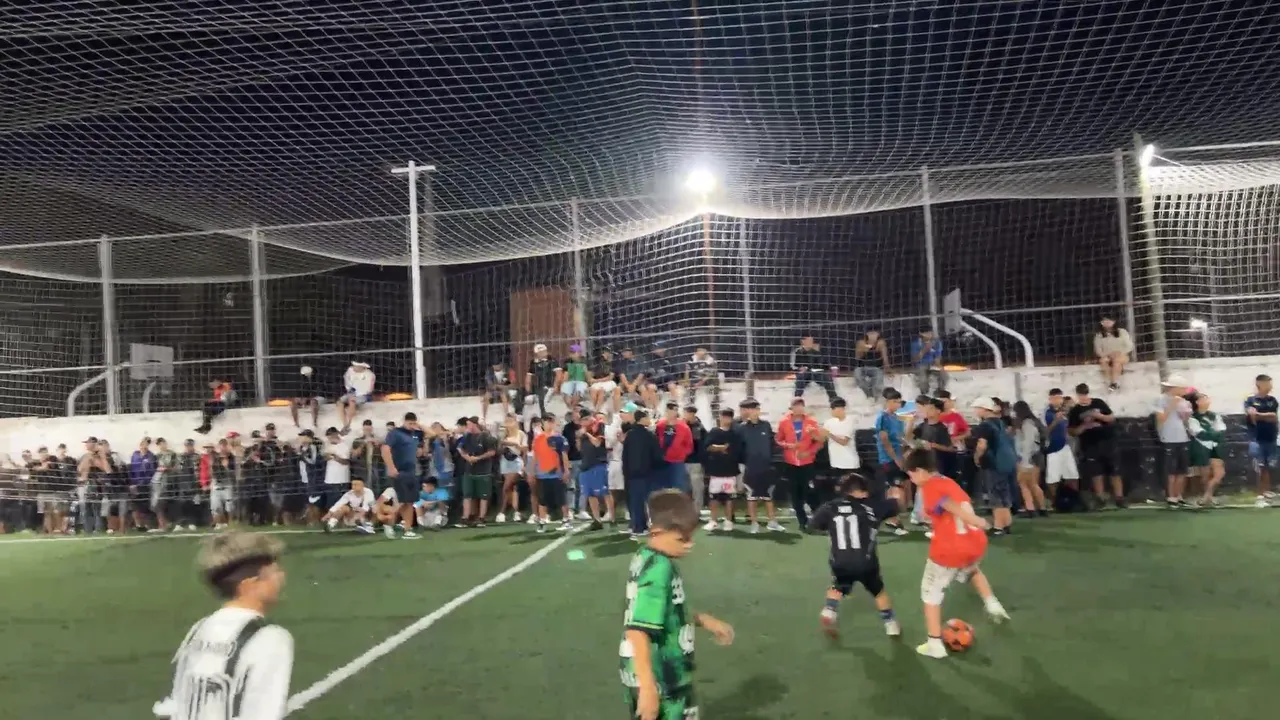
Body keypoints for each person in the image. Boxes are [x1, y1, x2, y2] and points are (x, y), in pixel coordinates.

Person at [620, 489, 734, 720]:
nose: (690, 545)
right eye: (682, 539)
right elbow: (637, 630)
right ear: (657, 532)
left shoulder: (647, 556)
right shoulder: (659, 569)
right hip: (662, 676)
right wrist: (648, 688)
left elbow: (665, 609)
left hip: (659, 674)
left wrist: (703, 620)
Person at [154, 533, 292, 720]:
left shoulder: (199, 628)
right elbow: (265, 713)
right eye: (274, 573)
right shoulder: (270, 637)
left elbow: (174, 703)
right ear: (249, 585)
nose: (282, 577)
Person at [905, 449, 1008, 659]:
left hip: (951, 548)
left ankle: (934, 644)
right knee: (972, 570)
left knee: (930, 593)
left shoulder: (930, 486)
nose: (912, 479)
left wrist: (978, 520)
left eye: (912, 474)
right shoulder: (948, 482)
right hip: (974, 543)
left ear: (921, 471)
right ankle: (993, 604)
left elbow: (948, 505)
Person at [808, 473, 903, 639]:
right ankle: (891, 624)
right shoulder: (871, 507)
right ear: (860, 492)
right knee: (878, 592)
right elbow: (898, 504)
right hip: (865, 562)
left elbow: (813, 525)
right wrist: (898, 491)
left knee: (838, 586)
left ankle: (830, 609)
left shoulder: (829, 507)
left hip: (840, 562)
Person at [1068, 383, 1124, 509]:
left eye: (1085, 394)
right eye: (1081, 395)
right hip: (1089, 444)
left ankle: (1119, 498)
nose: (1083, 397)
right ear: (1077, 395)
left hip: (1108, 441)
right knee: (1096, 472)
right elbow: (1072, 432)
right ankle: (1100, 498)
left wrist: (1098, 416)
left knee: (1114, 470)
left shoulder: (1098, 403)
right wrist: (1085, 426)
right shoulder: (1075, 411)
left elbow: (1111, 418)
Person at [733, 398, 781, 534]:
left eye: (757, 409)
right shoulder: (741, 428)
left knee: (768, 496)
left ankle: (772, 522)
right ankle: (754, 523)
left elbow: (771, 443)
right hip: (750, 467)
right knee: (752, 496)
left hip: (766, 466)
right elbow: (738, 448)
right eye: (752, 409)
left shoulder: (766, 425)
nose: (755, 412)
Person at [776, 397, 823, 527]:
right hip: (790, 463)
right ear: (791, 408)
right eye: (796, 406)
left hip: (807, 463)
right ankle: (802, 521)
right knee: (794, 493)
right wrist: (788, 445)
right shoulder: (784, 422)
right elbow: (778, 440)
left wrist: (809, 452)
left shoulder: (811, 421)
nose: (799, 408)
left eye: (801, 405)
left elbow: (819, 442)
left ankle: (819, 518)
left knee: (809, 491)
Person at [971, 397, 1015, 535]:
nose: (975, 411)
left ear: (983, 409)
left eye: (977, 408)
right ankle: (1006, 523)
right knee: (1004, 493)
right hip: (1005, 462)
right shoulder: (1000, 422)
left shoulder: (984, 426)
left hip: (992, 463)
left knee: (995, 495)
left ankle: (998, 526)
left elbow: (982, 445)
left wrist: (976, 457)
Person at [908, 397, 952, 531]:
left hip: (936, 463)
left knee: (932, 491)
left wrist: (933, 445)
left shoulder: (941, 428)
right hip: (923, 462)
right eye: (927, 407)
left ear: (938, 411)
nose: (927, 410)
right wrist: (911, 422)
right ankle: (919, 515)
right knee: (921, 489)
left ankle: (930, 517)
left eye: (931, 408)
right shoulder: (923, 425)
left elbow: (950, 448)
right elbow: (909, 438)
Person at [622, 408, 665, 539]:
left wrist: (626, 472)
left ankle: (638, 527)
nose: (649, 420)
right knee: (652, 501)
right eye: (647, 417)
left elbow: (625, 456)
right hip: (648, 473)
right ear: (643, 419)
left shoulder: (630, 435)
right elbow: (657, 456)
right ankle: (655, 526)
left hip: (632, 474)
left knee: (636, 502)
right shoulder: (649, 435)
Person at [381, 413, 425, 539]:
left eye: (413, 423)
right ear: (404, 421)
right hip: (400, 471)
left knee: (410, 501)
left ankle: (408, 530)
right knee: (403, 500)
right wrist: (391, 467)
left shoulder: (414, 435)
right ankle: (388, 522)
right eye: (410, 423)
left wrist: (418, 426)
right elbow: (385, 449)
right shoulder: (395, 433)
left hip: (412, 472)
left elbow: (432, 434)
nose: (412, 426)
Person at [1154, 374, 1193, 508]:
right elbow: (1161, 419)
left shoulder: (1184, 401)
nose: (1184, 391)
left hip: (1183, 437)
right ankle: (1171, 497)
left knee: (1182, 469)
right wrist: (1172, 405)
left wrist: (1186, 415)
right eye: (1182, 388)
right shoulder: (1161, 400)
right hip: (1168, 438)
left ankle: (1179, 495)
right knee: (1171, 470)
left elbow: (1185, 420)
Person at [874, 389, 908, 535]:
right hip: (887, 458)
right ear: (887, 402)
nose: (897, 404)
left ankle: (894, 517)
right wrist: (895, 458)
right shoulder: (882, 417)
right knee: (893, 488)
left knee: (899, 487)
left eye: (899, 402)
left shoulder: (897, 418)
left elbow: (900, 437)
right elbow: (884, 439)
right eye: (894, 401)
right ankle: (891, 519)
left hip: (899, 456)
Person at [531, 415, 574, 532]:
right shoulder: (538, 439)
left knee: (561, 498)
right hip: (542, 474)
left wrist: (566, 470)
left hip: (557, 473)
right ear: (542, 424)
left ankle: (566, 520)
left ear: (554, 423)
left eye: (551, 422)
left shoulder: (560, 438)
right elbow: (535, 456)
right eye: (546, 422)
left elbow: (564, 455)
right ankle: (542, 521)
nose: (548, 424)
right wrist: (532, 470)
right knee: (542, 499)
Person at [702, 408, 741, 532]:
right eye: (724, 416)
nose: (726, 419)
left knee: (729, 497)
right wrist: (721, 448)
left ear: (732, 418)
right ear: (720, 417)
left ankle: (728, 521)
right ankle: (713, 521)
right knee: (713, 497)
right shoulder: (714, 432)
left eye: (728, 417)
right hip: (716, 471)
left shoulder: (735, 434)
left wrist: (723, 449)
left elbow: (737, 450)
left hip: (730, 471)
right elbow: (707, 447)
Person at [1243, 374, 1278, 508]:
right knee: (1259, 467)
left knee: (1268, 466)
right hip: (1256, 438)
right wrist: (1264, 416)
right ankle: (1259, 496)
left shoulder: (1272, 400)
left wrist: (1259, 415)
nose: (1271, 386)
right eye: (1268, 383)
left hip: (1271, 437)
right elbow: (1251, 416)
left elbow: (1274, 417)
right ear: (1260, 384)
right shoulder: (1250, 400)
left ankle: (1266, 492)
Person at [1186, 392, 1226, 507]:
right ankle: (1203, 497)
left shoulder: (1214, 415)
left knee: (1219, 474)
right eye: (1203, 399)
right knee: (1204, 474)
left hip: (1215, 446)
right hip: (1201, 446)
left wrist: (1214, 435)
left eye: (1207, 398)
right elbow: (1199, 433)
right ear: (1197, 402)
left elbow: (1221, 429)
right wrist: (1213, 434)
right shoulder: (1192, 418)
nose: (1207, 401)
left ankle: (1207, 495)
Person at [457, 417, 498, 527]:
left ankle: (481, 518)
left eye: (469, 424)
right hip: (469, 470)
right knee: (467, 495)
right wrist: (467, 457)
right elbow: (460, 448)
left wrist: (478, 458)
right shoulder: (467, 437)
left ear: (475, 424)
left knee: (483, 496)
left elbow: (492, 452)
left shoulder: (486, 436)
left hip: (483, 471)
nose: (467, 426)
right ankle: (465, 518)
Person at [1042, 389, 1079, 508]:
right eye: (1056, 398)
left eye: (1060, 398)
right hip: (1053, 448)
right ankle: (1055, 501)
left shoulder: (1063, 412)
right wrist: (1055, 421)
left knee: (1072, 475)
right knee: (1052, 477)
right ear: (1050, 399)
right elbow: (1045, 432)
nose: (1059, 400)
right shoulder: (1047, 413)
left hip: (1065, 446)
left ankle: (1073, 500)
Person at [1012, 400, 1049, 517]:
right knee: (1033, 484)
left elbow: (1028, 442)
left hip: (1029, 457)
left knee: (1024, 483)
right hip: (1035, 456)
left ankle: (1030, 508)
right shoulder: (1034, 422)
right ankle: (1042, 508)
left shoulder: (1027, 423)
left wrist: (1025, 460)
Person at [576, 411, 609, 530]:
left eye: (586, 419)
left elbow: (597, 443)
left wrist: (586, 434)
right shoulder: (582, 433)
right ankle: (597, 519)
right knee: (590, 494)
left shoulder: (599, 427)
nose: (583, 422)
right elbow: (579, 449)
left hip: (598, 464)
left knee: (604, 492)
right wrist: (579, 437)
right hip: (586, 465)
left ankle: (611, 516)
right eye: (582, 420)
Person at [494, 414, 530, 523]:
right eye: (507, 421)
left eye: (510, 421)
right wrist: (503, 443)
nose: (508, 423)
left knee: (507, 486)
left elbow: (524, 449)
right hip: (505, 461)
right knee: (512, 488)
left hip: (516, 461)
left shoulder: (521, 434)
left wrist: (515, 445)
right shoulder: (503, 434)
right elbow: (498, 450)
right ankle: (515, 511)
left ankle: (502, 511)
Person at [654, 402, 694, 494]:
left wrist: (680, 454)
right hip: (662, 461)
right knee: (662, 489)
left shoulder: (684, 427)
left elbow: (689, 446)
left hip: (677, 462)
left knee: (679, 489)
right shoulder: (659, 426)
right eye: (670, 409)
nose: (672, 412)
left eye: (674, 410)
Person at [790, 335, 838, 403]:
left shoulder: (815, 352)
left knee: (827, 378)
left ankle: (834, 399)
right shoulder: (796, 352)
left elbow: (822, 365)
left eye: (811, 341)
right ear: (803, 341)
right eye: (809, 341)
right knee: (801, 378)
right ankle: (797, 399)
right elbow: (792, 365)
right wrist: (799, 368)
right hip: (803, 373)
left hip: (815, 373)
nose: (811, 342)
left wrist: (831, 367)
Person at [1094, 317, 1133, 391]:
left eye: (1108, 320)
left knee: (1117, 361)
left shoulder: (1122, 332)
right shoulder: (1099, 335)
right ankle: (1110, 382)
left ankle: (1114, 383)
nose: (1106, 322)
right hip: (1107, 356)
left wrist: (1119, 353)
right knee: (1103, 361)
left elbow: (1129, 346)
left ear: (1114, 321)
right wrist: (1107, 355)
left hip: (1121, 355)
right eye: (1104, 321)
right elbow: (1098, 350)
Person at [338, 361, 376, 435]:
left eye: (356, 366)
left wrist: (356, 394)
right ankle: (345, 424)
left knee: (352, 402)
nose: (354, 367)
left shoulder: (370, 375)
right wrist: (351, 391)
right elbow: (347, 382)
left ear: (362, 367)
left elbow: (369, 389)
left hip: (363, 395)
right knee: (339, 402)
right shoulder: (350, 370)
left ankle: (349, 424)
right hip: (351, 393)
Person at [852, 329, 891, 401]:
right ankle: (869, 395)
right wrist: (864, 349)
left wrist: (888, 369)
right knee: (858, 376)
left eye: (874, 333)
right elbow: (857, 357)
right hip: (862, 368)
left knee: (878, 383)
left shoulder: (881, 343)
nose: (872, 335)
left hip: (876, 368)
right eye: (871, 333)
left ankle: (876, 397)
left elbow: (885, 357)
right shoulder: (861, 343)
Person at [526, 343, 561, 422]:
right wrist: (528, 390)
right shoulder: (533, 362)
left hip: (550, 386)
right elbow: (528, 377)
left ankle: (544, 417)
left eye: (543, 351)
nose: (542, 353)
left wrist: (555, 386)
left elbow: (559, 374)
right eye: (540, 352)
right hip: (540, 387)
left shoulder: (552, 360)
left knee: (542, 400)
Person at [681, 406, 707, 512]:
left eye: (686, 413)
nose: (684, 415)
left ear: (692, 414)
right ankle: (685, 511)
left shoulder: (698, 427)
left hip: (695, 462)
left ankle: (697, 511)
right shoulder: (682, 425)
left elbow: (695, 442)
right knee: (684, 488)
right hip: (683, 461)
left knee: (697, 488)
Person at [910, 329, 948, 395]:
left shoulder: (936, 342)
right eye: (927, 333)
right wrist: (925, 350)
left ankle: (940, 391)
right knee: (923, 379)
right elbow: (915, 359)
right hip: (921, 364)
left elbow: (938, 356)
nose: (929, 335)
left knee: (944, 375)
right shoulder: (916, 343)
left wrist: (937, 363)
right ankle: (924, 394)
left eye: (930, 332)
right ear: (921, 334)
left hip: (933, 364)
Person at [643, 343, 680, 410]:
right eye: (657, 349)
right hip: (655, 381)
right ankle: (657, 409)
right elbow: (647, 374)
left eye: (661, 348)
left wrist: (673, 381)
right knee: (651, 388)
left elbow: (675, 373)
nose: (659, 350)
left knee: (672, 386)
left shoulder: (670, 359)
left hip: (668, 381)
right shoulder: (650, 360)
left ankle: (674, 406)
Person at [684, 345, 720, 414]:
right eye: (699, 351)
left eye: (702, 351)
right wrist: (686, 381)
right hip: (696, 378)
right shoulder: (692, 360)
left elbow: (711, 374)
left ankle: (714, 403)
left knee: (714, 379)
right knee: (690, 387)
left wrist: (700, 383)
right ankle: (691, 404)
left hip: (707, 380)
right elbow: (687, 371)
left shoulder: (711, 361)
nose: (700, 353)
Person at [560, 344, 591, 409]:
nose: (571, 354)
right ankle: (571, 409)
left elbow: (588, 375)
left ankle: (573, 409)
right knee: (566, 395)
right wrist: (563, 384)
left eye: (574, 352)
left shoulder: (584, 361)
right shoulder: (567, 361)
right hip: (570, 381)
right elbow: (566, 374)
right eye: (571, 352)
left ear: (579, 353)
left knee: (577, 394)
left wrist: (589, 383)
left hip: (581, 381)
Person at [589, 347, 619, 412]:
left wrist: (598, 380)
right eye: (605, 353)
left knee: (601, 391)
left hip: (608, 382)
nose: (607, 354)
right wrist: (594, 380)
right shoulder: (597, 364)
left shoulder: (613, 364)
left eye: (608, 353)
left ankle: (597, 410)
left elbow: (610, 377)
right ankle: (594, 408)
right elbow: (590, 378)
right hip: (597, 382)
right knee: (593, 390)